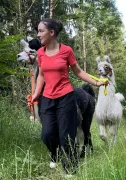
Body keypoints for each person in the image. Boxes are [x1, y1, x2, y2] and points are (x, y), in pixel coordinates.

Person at [32, 18, 106, 175]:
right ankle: (56, 153)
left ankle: (70, 170)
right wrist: (36, 93)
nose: (38, 34)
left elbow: (78, 72)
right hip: (47, 98)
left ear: (51, 33)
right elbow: (41, 75)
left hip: (66, 97)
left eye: (41, 31)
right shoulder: (40, 53)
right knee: (47, 134)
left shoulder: (66, 51)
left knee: (67, 136)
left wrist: (96, 82)